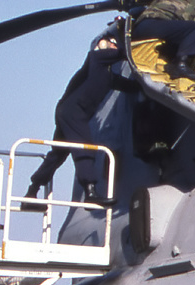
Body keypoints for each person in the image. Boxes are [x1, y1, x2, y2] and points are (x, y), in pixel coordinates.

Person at [24, 20, 127, 207]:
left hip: (67, 112)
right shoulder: (95, 60)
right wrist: (127, 43)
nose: (113, 47)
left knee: (58, 153)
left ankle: (31, 192)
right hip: (73, 112)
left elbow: (129, 85)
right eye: (111, 44)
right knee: (85, 147)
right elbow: (120, 54)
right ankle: (90, 191)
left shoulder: (106, 75)